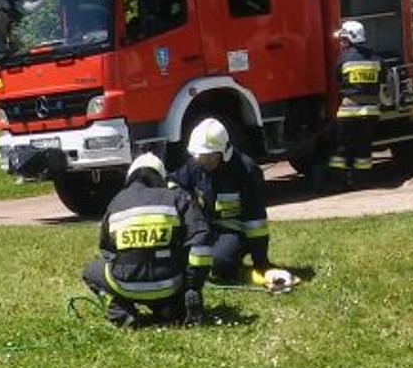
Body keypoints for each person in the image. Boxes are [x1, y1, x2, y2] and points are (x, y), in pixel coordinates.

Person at [83, 153, 213, 328]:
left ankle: (120, 311)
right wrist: (192, 286)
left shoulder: (116, 202)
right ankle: (169, 309)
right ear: (161, 177)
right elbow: (201, 244)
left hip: (125, 285)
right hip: (170, 284)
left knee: (90, 272)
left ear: (130, 176)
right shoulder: (177, 198)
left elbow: (107, 250)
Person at [170, 119, 275, 286]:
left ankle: (235, 266)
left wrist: (261, 262)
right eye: (200, 156)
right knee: (180, 254)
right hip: (206, 228)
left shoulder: (246, 170)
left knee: (221, 264)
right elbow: (174, 183)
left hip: (234, 231)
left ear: (223, 152)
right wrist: (187, 205)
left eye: (208, 157)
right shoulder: (196, 166)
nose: (203, 161)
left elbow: (256, 222)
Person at [323, 19, 381, 191]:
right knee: (364, 149)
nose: (341, 43)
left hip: (348, 113)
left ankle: (338, 183)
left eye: (343, 39)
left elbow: (337, 79)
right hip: (370, 112)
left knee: (341, 149)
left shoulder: (344, 58)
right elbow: (383, 78)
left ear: (349, 39)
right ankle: (362, 182)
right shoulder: (375, 58)